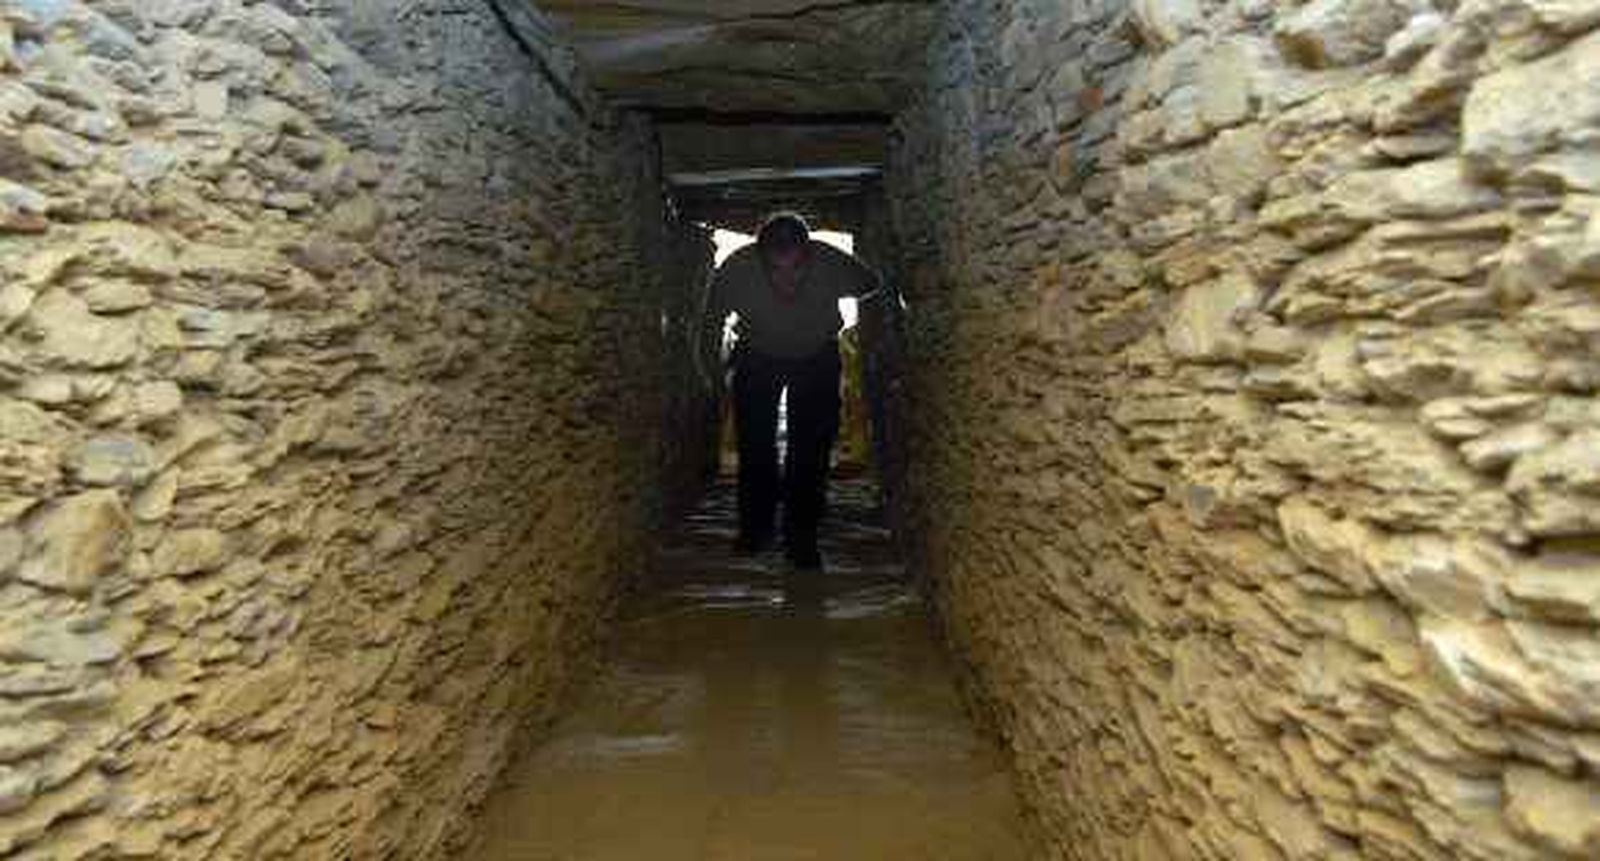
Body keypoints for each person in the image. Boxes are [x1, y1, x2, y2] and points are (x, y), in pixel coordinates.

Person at [696, 213, 883, 569]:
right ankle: (756, 528)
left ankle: (802, 536)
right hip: (757, 356)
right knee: (755, 445)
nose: (786, 278)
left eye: (795, 267)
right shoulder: (738, 268)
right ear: (760, 255)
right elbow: (710, 321)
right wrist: (712, 374)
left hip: (816, 356)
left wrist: (833, 274)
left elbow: (868, 282)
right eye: (775, 268)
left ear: (808, 254)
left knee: (811, 448)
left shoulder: (826, 260)